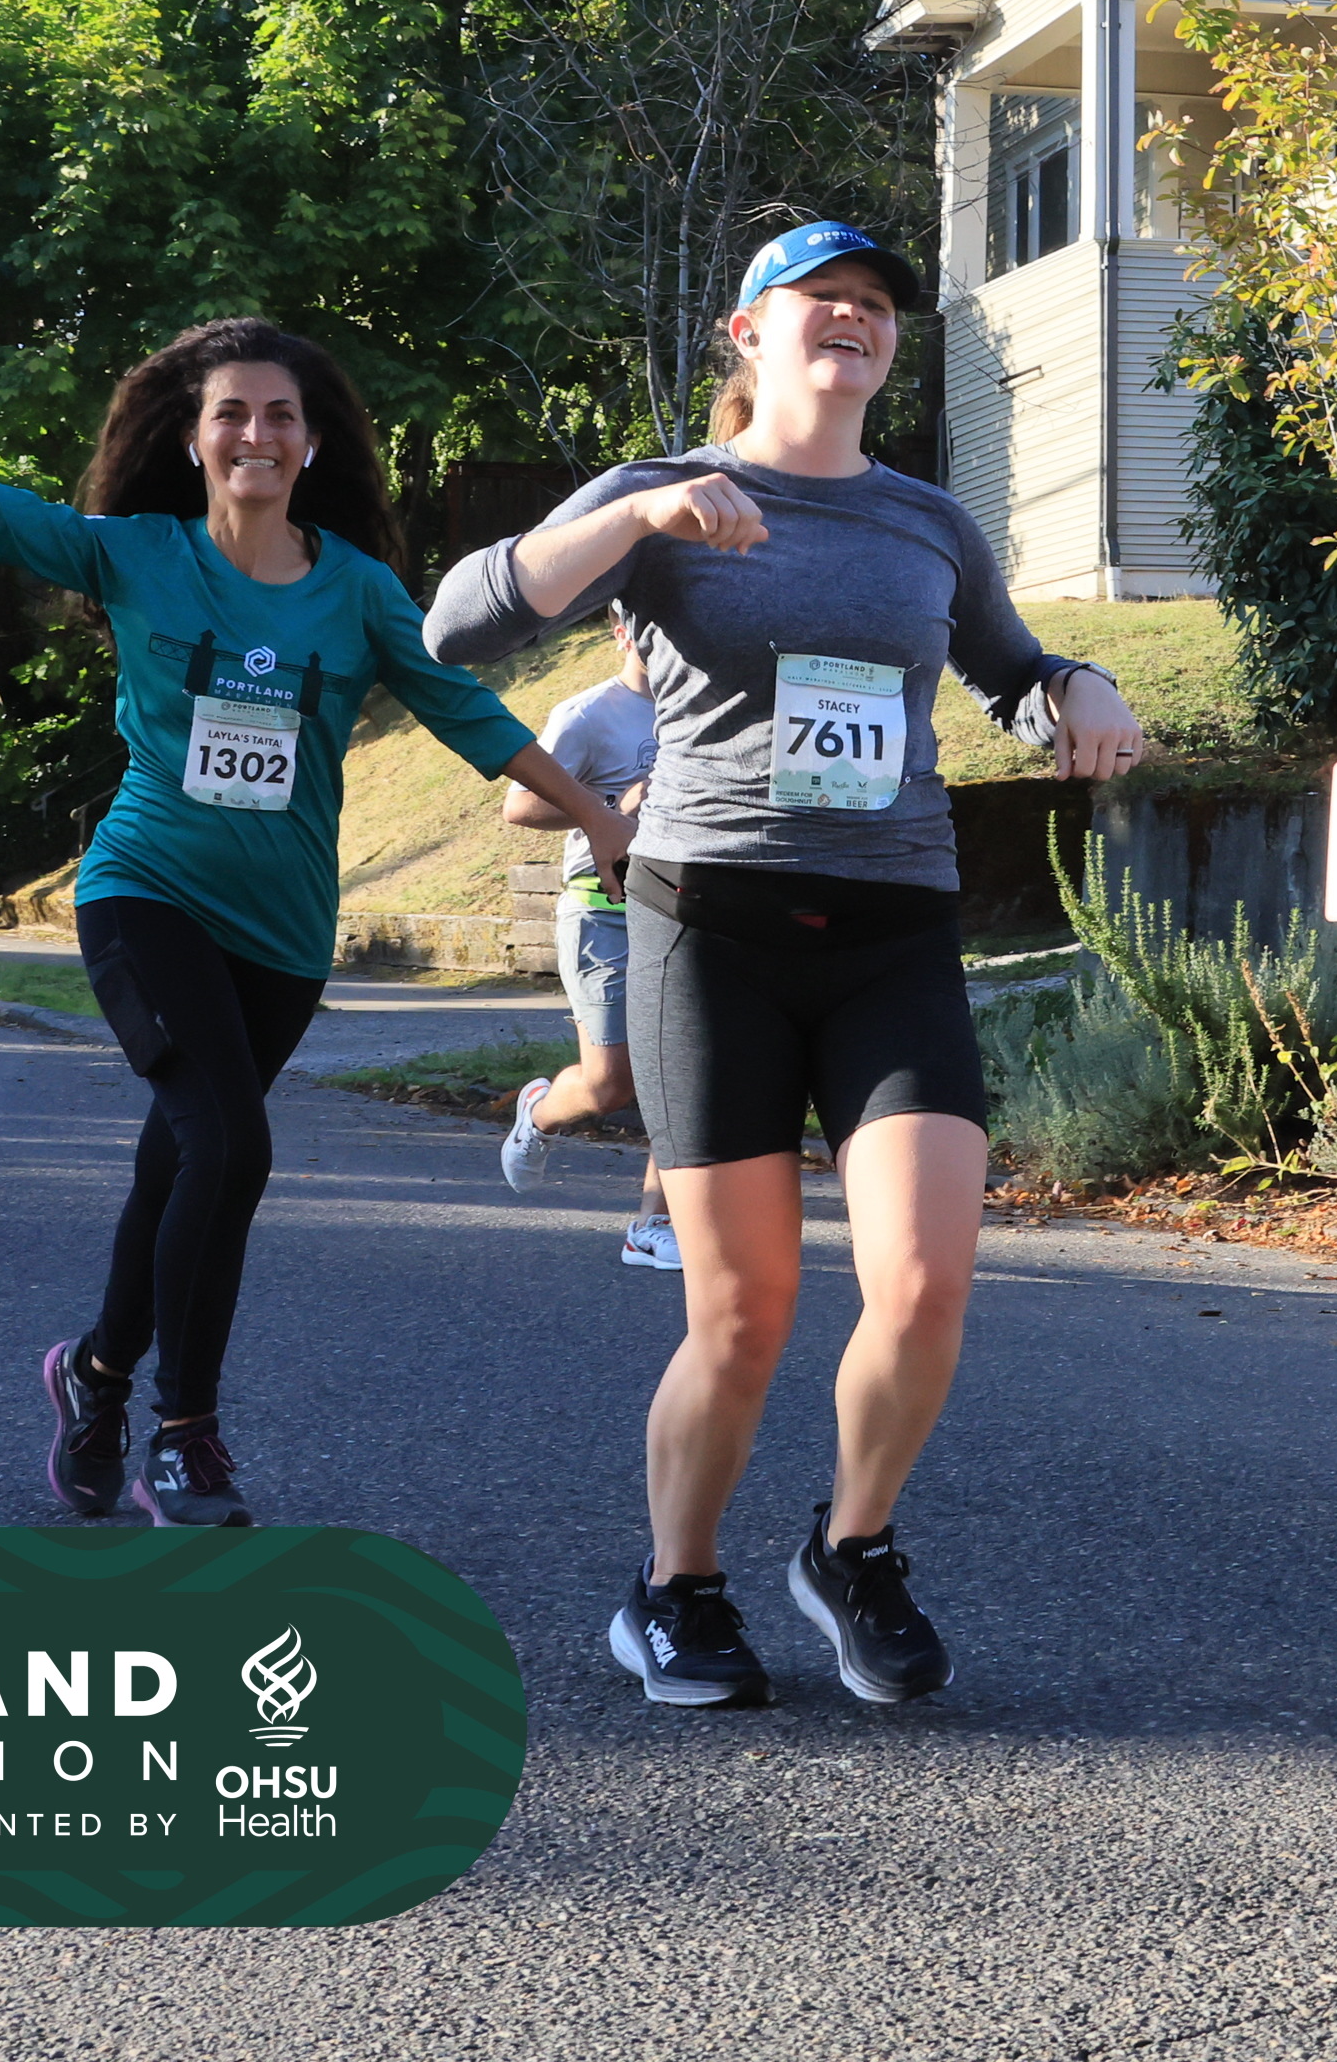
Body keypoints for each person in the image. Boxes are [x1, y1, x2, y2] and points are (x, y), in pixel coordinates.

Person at [0, 260, 631, 1530]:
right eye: (232, 412)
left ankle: (96, 1373)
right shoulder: (137, 555)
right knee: (231, 1145)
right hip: (149, 892)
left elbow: (465, 710)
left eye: (282, 414)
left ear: (311, 442)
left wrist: (597, 810)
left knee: (180, 1162)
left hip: (282, 932)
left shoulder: (357, 589)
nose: (257, 433)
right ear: (193, 439)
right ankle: (184, 1433)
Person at [426, 220, 1147, 1709]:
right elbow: (459, 623)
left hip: (892, 929)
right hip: (714, 930)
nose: (855, 318)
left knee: (926, 1283)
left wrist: (1081, 687)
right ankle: (673, 1587)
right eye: (823, 297)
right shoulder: (659, 494)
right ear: (748, 332)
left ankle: (852, 1548)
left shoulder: (928, 525)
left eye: (876, 304)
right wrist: (641, 519)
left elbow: (1012, 676)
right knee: (745, 1312)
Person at [496, 608, 671, 1261]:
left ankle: (654, 1224)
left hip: (686, 912)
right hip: (605, 910)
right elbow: (520, 805)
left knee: (681, 1073)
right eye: (647, 624)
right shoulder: (590, 715)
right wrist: (614, 809)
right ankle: (540, 1112)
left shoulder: (709, 706)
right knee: (610, 1086)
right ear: (621, 633)